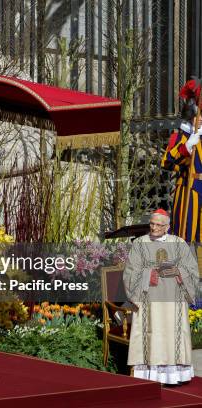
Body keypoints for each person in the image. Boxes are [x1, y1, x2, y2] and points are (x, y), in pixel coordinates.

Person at [123, 209, 199, 385]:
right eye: (152, 224)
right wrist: (148, 274)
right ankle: (151, 375)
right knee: (152, 333)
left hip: (175, 299)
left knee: (173, 333)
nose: (154, 228)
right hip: (149, 296)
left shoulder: (178, 243)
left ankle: (174, 375)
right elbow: (130, 273)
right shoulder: (139, 244)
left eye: (158, 225)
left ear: (167, 227)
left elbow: (192, 270)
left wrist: (179, 271)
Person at [161, 78, 202, 239]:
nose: (199, 118)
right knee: (187, 232)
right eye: (196, 115)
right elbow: (167, 162)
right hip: (188, 187)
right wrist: (186, 148)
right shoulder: (181, 136)